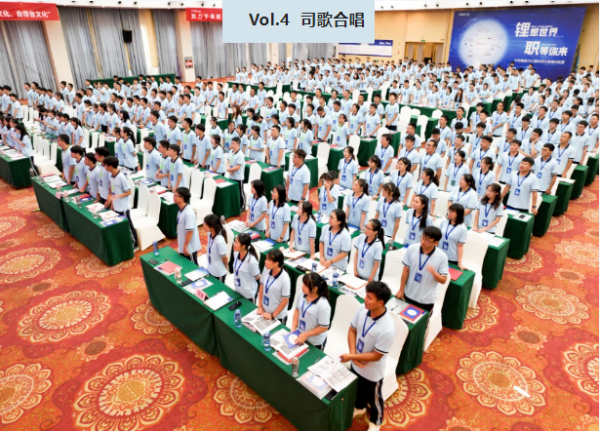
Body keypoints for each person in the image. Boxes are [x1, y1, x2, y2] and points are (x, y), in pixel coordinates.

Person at [340, 282, 395, 431]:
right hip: (356, 361)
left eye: (369, 297)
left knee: (374, 398)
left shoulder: (387, 328)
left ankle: (376, 421)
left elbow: (377, 355)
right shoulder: (362, 309)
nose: (365, 299)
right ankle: (360, 407)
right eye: (366, 295)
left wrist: (353, 357)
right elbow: (352, 330)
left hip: (372, 371)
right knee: (357, 389)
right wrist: (353, 355)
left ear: (380, 302)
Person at [396, 226, 449, 312]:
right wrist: (401, 290)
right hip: (409, 294)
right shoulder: (412, 249)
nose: (423, 241)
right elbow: (405, 270)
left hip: (426, 300)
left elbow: (443, 280)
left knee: (423, 320)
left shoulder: (442, 257)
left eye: (427, 240)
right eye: (423, 237)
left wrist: (434, 273)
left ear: (436, 242)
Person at [102, 156, 138, 249]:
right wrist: (111, 203)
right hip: (116, 206)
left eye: (105, 165)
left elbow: (129, 192)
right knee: (121, 226)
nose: (104, 166)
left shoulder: (122, 177)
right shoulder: (112, 176)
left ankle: (135, 244)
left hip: (123, 208)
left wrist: (116, 197)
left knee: (128, 226)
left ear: (110, 166)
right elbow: (112, 189)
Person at [291, 273, 331, 350]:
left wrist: (306, 335)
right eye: (303, 283)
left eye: (306, 286)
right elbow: (297, 310)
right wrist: (293, 328)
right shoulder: (302, 293)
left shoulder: (323, 305)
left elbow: (324, 328)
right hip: (300, 335)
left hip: (314, 342)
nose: (302, 287)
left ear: (315, 289)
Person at [257, 249, 291, 324]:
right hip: (264, 311)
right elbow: (261, 286)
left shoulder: (285, 279)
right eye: (266, 259)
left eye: (268, 260)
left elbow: (285, 301)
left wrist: (272, 315)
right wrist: (260, 306)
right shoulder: (266, 269)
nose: (265, 261)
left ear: (276, 263)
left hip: (277, 317)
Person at [174, 187, 201, 264]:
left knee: (193, 267)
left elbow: (190, 232)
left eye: (175, 195)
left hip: (190, 248)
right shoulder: (180, 210)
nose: (173, 197)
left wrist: (185, 246)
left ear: (181, 198)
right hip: (184, 246)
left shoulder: (188, 213)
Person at [232, 232, 261, 300]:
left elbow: (257, 276)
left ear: (243, 246)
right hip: (238, 290)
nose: (234, 244)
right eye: (234, 241)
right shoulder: (236, 253)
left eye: (236, 243)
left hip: (248, 294)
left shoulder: (252, 261)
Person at [438, 204, 468, 269]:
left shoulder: (462, 228)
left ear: (459, 214)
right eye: (449, 210)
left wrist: (460, 263)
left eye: (452, 211)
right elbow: (438, 237)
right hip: (440, 254)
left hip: (451, 258)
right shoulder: (444, 221)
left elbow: (460, 246)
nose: (449, 213)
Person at [203, 214, 229, 282]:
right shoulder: (209, 234)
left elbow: (225, 257)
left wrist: (226, 267)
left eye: (205, 224)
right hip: (210, 269)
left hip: (218, 273)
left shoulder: (219, 241)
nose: (203, 226)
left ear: (212, 227)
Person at [226, 137, 246, 208]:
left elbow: (238, 167)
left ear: (238, 144)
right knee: (232, 192)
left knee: (240, 192)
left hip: (238, 177)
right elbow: (228, 161)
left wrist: (230, 170)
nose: (231, 145)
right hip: (231, 176)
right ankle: (234, 205)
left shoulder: (240, 154)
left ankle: (242, 206)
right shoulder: (230, 151)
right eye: (231, 143)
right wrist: (229, 169)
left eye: (233, 143)